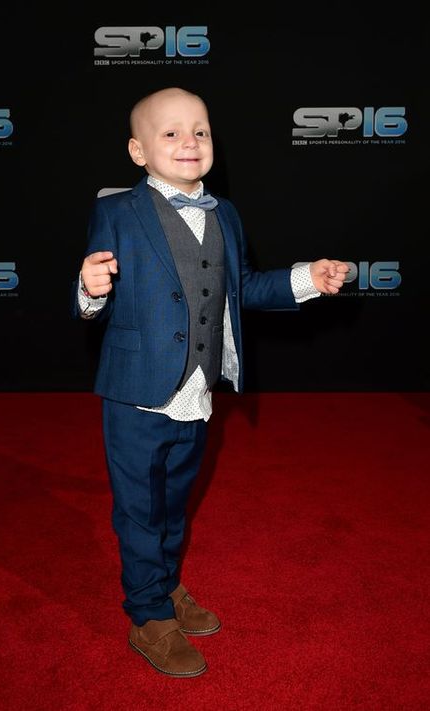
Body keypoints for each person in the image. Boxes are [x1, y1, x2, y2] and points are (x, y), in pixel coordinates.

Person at [74, 87, 349, 678]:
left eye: (199, 130)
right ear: (137, 151)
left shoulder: (224, 212)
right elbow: (93, 281)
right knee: (140, 509)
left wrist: (306, 278)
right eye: (169, 133)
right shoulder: (116, 211)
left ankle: (167, 586)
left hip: (197, 390)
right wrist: (89, 288)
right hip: (135, 389)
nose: (188, 143)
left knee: (173, 501)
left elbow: (243, 287)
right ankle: (147, 614)